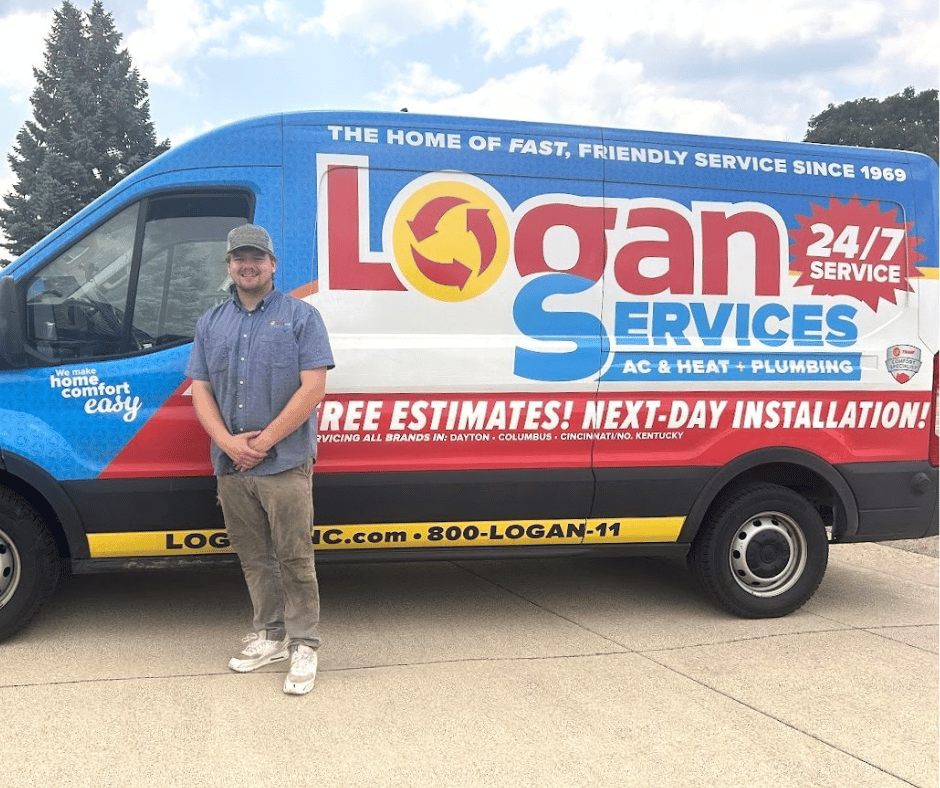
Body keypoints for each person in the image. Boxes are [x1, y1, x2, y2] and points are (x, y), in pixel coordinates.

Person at [186, 223, 334, 696]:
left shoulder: (300, 317)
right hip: (231, 466)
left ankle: (304, 643)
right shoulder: (211, 322)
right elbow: (201, 390)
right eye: (238, 259)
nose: (247, 266)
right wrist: (230, 445)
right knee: (254, 557)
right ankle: (269, 635)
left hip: (284, 462)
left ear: (272, 264)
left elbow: (313, 388)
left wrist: (264, 441)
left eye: (257, 258)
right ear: (229, 266)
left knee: (294, 556)